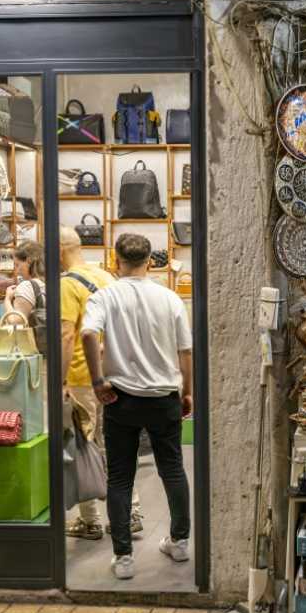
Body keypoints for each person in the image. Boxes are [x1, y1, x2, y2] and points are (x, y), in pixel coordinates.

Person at [81, 233, 194, 581]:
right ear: (150, 261)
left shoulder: (105, 296)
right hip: (164, 396)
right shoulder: (169, 298)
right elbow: (185, 350)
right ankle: (179, 542)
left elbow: (88, 333)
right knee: (172, 470)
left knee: (120, 477)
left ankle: (124, 557)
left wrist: (97, 381)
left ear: (116, 260)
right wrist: (187, 392)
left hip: (122, 397)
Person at [58, 226, 117, 541]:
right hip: (112, 372)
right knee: (113, 445)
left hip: (82, 375)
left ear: (59, 250)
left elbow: (67, 335)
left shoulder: (67, 284)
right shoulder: (106, 276)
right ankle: (130, 511)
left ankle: (90, 519)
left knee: (83, 446)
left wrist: (60, 379)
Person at [4, 239, 44, 319]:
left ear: (28, 261)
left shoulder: (27, 286)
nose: (17, 271)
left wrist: (7, 299)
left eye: (17, 265)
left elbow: (15, 321)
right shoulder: (55, 281)